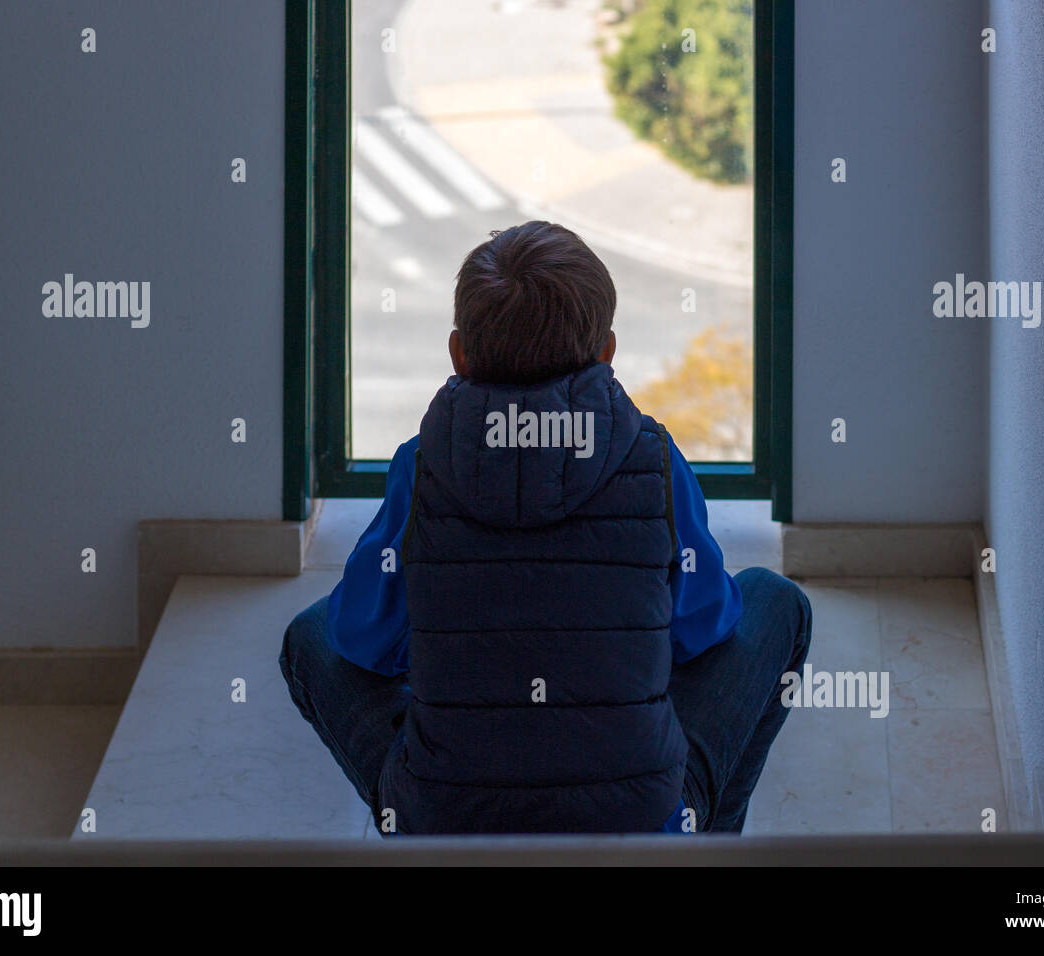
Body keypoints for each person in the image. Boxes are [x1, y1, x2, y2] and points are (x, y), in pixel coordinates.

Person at [280, 221, 812, 835]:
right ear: (608, 350)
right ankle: (696, 851)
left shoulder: (419, 467)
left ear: (458, 351)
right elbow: (704, 629)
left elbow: (361, 638)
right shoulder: (655, 461)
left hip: (447, 819)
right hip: (636, 817)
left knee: (311, 635)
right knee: (777, 603)